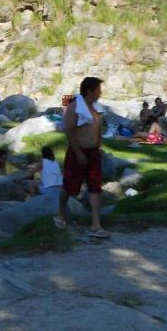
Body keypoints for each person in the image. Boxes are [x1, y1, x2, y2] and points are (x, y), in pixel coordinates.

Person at [56, 76, 109, 238]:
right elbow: (69, 131)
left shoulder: (96, 108)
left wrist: (99, 147)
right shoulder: (74, 107)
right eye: (98, 90)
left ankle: (96, 225)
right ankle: (60, 214)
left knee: (95, 186)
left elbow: (98, 130)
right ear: (89, 91)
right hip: (77, 151)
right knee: (70, 185)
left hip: (93, 152)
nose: (100, 93)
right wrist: (78, 153)